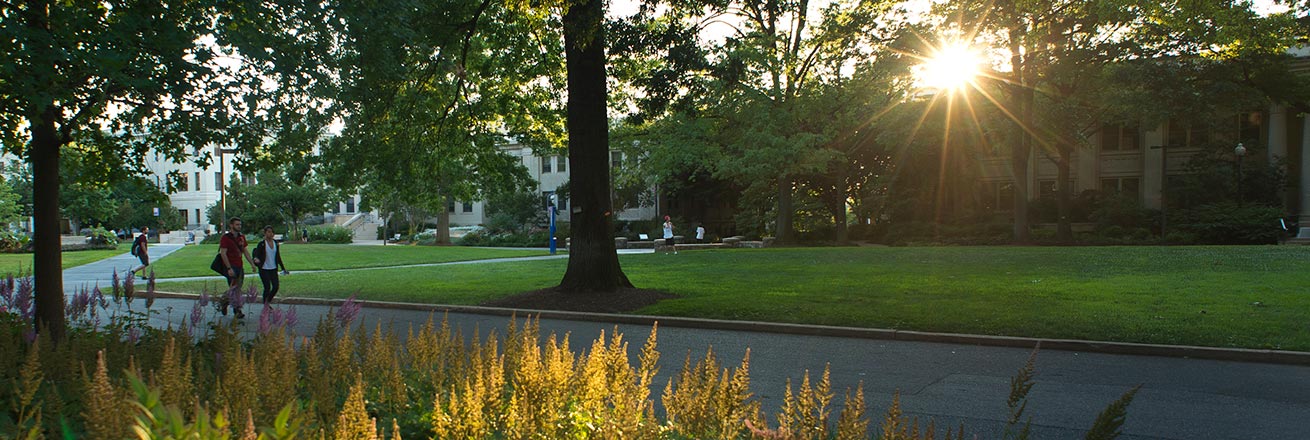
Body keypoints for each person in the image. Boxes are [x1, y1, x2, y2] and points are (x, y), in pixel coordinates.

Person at [218, 217, 256, 318]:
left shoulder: (241, 237)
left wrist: (252, 263)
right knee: (234, 288)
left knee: (237, 289)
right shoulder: (226, 238)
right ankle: (233, 307)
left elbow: (245, 251)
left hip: (240, 266)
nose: (239, 226)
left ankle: (227, 303)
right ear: (231, 225)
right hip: (231, 266)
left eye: (240, 224)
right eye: (237, 224)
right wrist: (229, 268)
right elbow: (223, 253)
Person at [252, 225, 289, 305]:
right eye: (269, 232)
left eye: (272, 232)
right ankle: (266, 304)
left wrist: (283, 268)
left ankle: (268, 301)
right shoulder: (261, 244)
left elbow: (278, 256)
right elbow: (256, 254)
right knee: (267, 287)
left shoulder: (276, 243)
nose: (271, 234)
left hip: (273, 269)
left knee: (276, 287)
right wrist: (256, 259)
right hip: (264, 269)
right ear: (265, 233)